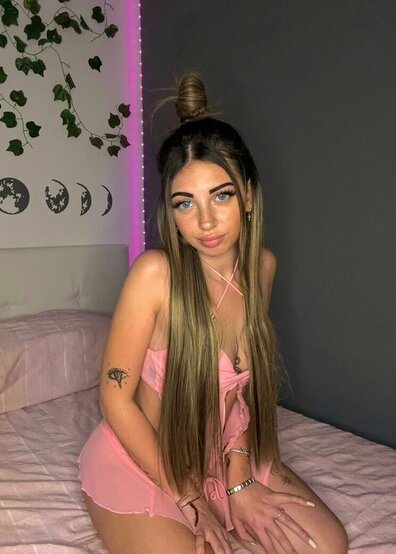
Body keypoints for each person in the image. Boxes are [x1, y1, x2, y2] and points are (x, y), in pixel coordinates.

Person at [78, 73, 348, 554]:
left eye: (221, 195)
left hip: (222, 454)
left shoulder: (262, 267)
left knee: (327, 546)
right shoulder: (155, 275)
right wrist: (192, 500)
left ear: (248, 196)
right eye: (185, 203)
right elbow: (116, 400)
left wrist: (239, 478)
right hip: (145, 458)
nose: (205, 221)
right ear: (172, 213)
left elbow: (241, 389)